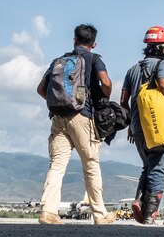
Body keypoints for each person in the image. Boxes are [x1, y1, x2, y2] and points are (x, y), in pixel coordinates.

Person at [36, 24, 114, 226]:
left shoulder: (58, 61)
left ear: (74, 40)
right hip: (83, 116)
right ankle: (100, 215)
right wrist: (105, 95)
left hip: (58, 117)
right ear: (94, 43)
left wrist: (57, 104)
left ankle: (48, 211)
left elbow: (41, 89)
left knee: (57, 166)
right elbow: (105, 82)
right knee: (90, 165)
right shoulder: (93, 59)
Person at [120, 26, 164, 224]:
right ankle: (151, 214)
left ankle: (140, 200)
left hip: (138, 128)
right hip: (159, 127)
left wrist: (132, 123)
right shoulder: (162, 66)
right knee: (160, 168)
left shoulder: (132, 70)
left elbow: (124, 99)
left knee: (147, 166)